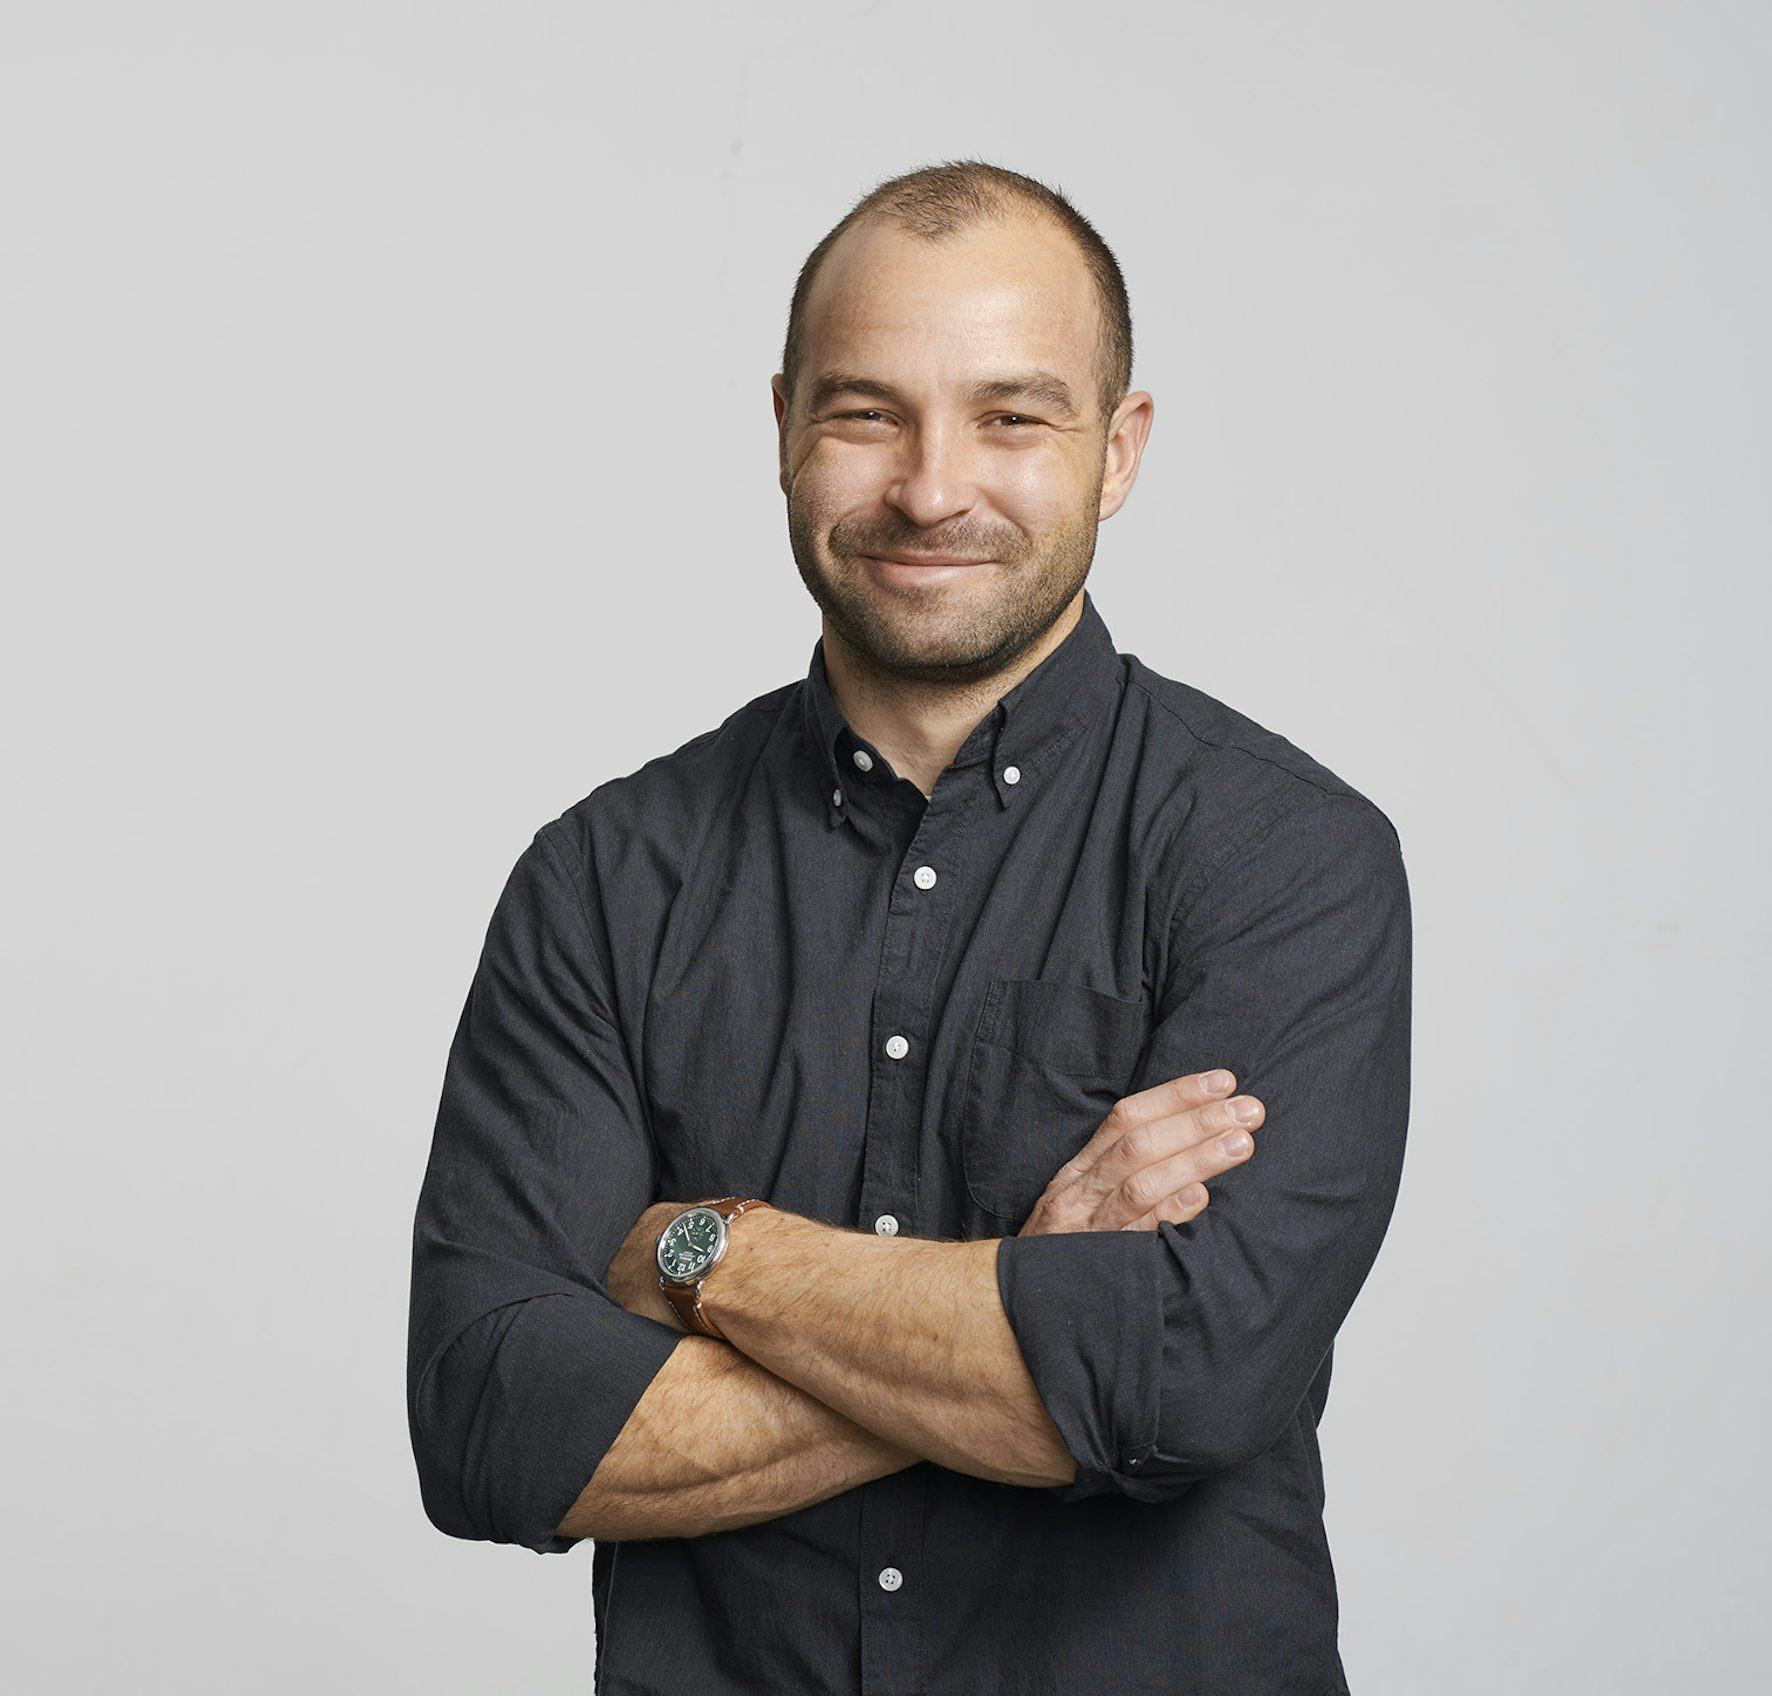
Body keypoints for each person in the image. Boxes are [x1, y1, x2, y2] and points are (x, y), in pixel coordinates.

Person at [407, 159, 1413, 1695]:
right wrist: (1030, 1298)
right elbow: (494, 1426)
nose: (932, 488)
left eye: (1011, 418)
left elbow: (1183, 1383)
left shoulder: (1284, 857)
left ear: (1119, 450)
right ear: (785, 429)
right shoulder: (605, 877)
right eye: (869, 413)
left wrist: (705, 1254)